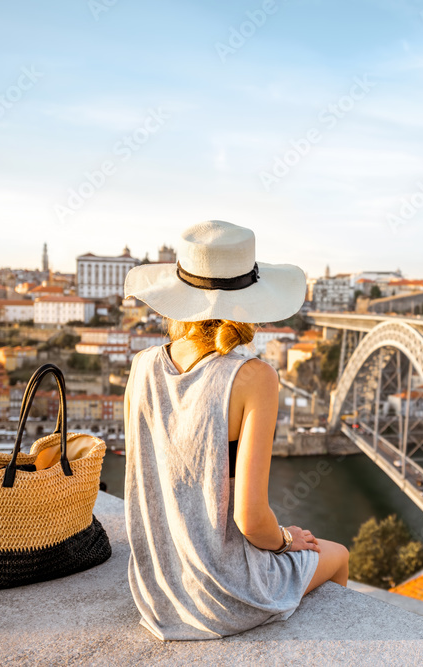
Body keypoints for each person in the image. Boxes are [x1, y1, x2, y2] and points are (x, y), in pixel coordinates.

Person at [121, 220, 349, 641]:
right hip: (222, 596)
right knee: (336, 554)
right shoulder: (253, 377)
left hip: (156, 590)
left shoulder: (142, 365)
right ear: (251, 302)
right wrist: (285, 540)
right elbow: (251, 519)